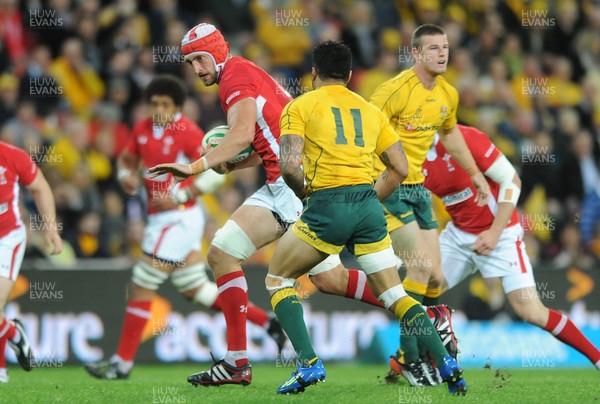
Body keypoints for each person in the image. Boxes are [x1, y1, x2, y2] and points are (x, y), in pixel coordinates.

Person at [265, 40, 466, 395]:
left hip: (327, 204)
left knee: (278, 279)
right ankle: (448, 366)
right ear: (351, 76)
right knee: (395, 295)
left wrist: (305, 194)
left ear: (313, 73)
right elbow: (400, 168)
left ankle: (309, 364)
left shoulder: (300, 106)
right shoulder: (370, 110)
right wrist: (371, 198)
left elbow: (289, 165)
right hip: (369, 207)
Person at [304, 23, 492, 385]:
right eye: (434, 48)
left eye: (446, 47)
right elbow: (362, 127)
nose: (443, 53)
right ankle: (411, 360)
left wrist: (477, 176)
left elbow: (451, 135)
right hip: (389, 186)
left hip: (419, 191)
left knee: (436, 277)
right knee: (419, 271)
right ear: (417, 54)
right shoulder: (393, 91)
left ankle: (405, 358)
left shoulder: (447, 95)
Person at [84, 75, 284, 380]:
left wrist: (183, 194)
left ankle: (121, 364)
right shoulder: (141, 129)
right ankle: (266, 322)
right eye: (154, 103)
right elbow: (125, 160)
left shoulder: (188, 133)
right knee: (196, 290)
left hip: (180, 219)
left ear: (177, 107)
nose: (158, 109)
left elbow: (218, 174)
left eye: (165, 104)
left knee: (141, 284)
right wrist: (126, 175)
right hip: (159, 220)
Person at [148, 23, 308, 387]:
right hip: (283, 179)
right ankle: (237, 361)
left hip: (290, 184)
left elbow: (238, 135)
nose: (198, 70)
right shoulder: (243, 72)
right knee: (221, 253)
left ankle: (420, 318)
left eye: (201, 59)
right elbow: (262, 141)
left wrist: (192, 168)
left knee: (330, 279)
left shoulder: (233, 77)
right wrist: (233, 164)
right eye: (191, 64)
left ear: (219, 51)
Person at [418, 124, 600, 371]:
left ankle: (597, 357)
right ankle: (408, 361)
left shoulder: (467, 137)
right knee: (419, 290)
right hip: (458, 235)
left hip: (500, 233)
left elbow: (512, 180)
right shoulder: (409, 155)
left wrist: (494, 233)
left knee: (532, 312)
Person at [0, 141, 63, 383]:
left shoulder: (12, 156)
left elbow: (41, 187)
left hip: (7, 238)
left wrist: (50, 229)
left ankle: (1, 371)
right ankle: (15, 333)